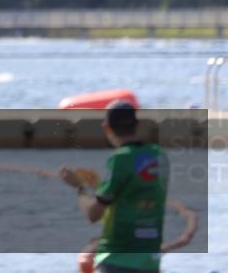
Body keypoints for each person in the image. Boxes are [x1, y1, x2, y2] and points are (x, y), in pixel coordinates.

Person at [60, 100, 170, 273]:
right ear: (137, 125)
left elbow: (94, 214)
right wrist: (99, 186)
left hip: (117, 260)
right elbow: (132, 196)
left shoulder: (120, 158)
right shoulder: (159, 156)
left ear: (107, 127)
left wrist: (80, 188)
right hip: (150, 262)